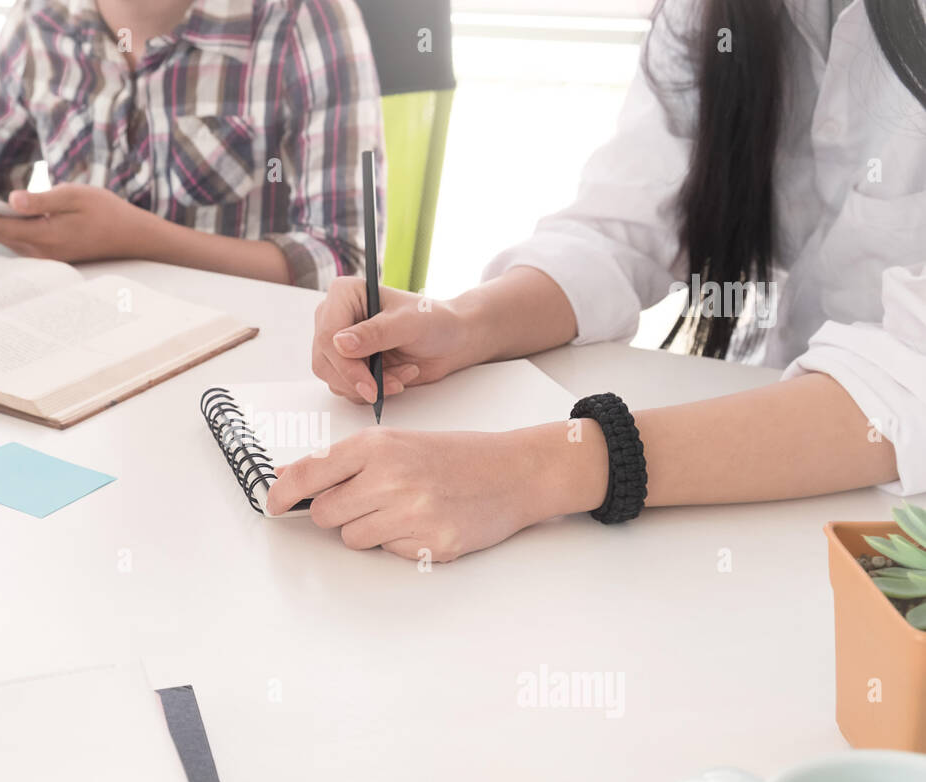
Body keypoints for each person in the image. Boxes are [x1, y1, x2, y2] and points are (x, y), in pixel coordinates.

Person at [267, 0, 926, 562]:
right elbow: (626, 224)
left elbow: (910, 378)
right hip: (778, 488)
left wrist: (532, 472)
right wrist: (466, 322)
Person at [0, 0, 384, 290]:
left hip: (242, 365)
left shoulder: (303, 20)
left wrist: (138, 239)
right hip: (77, 339)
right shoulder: (41, 21)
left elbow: (346, 261)